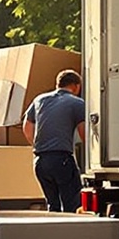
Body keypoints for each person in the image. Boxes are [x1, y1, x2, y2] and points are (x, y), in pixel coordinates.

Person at [23, 69, 87, 213]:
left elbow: (27, 126)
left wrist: (38, 145)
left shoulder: (40, 100)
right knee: (72, 204)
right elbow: (83, 132)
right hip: (61, 159)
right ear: (76, 86)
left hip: (40, 161)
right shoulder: (77, 103)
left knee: (53, 205)